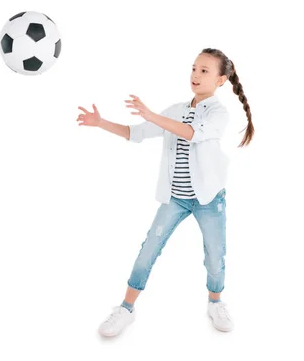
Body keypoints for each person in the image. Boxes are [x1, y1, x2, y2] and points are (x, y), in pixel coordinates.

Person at [76, 48, 254, 336]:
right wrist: (101, 123)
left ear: (221, 80)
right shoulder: (175, 110)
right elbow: (137, 133)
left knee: (214, 255)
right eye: (194, 68)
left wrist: (152, 115)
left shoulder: (219, 113)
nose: (196, 74)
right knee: (149, 249)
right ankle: (126, 309)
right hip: (176, 198)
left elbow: (192, 132)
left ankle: (215, 302)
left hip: (209, 200)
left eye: (205, 71)